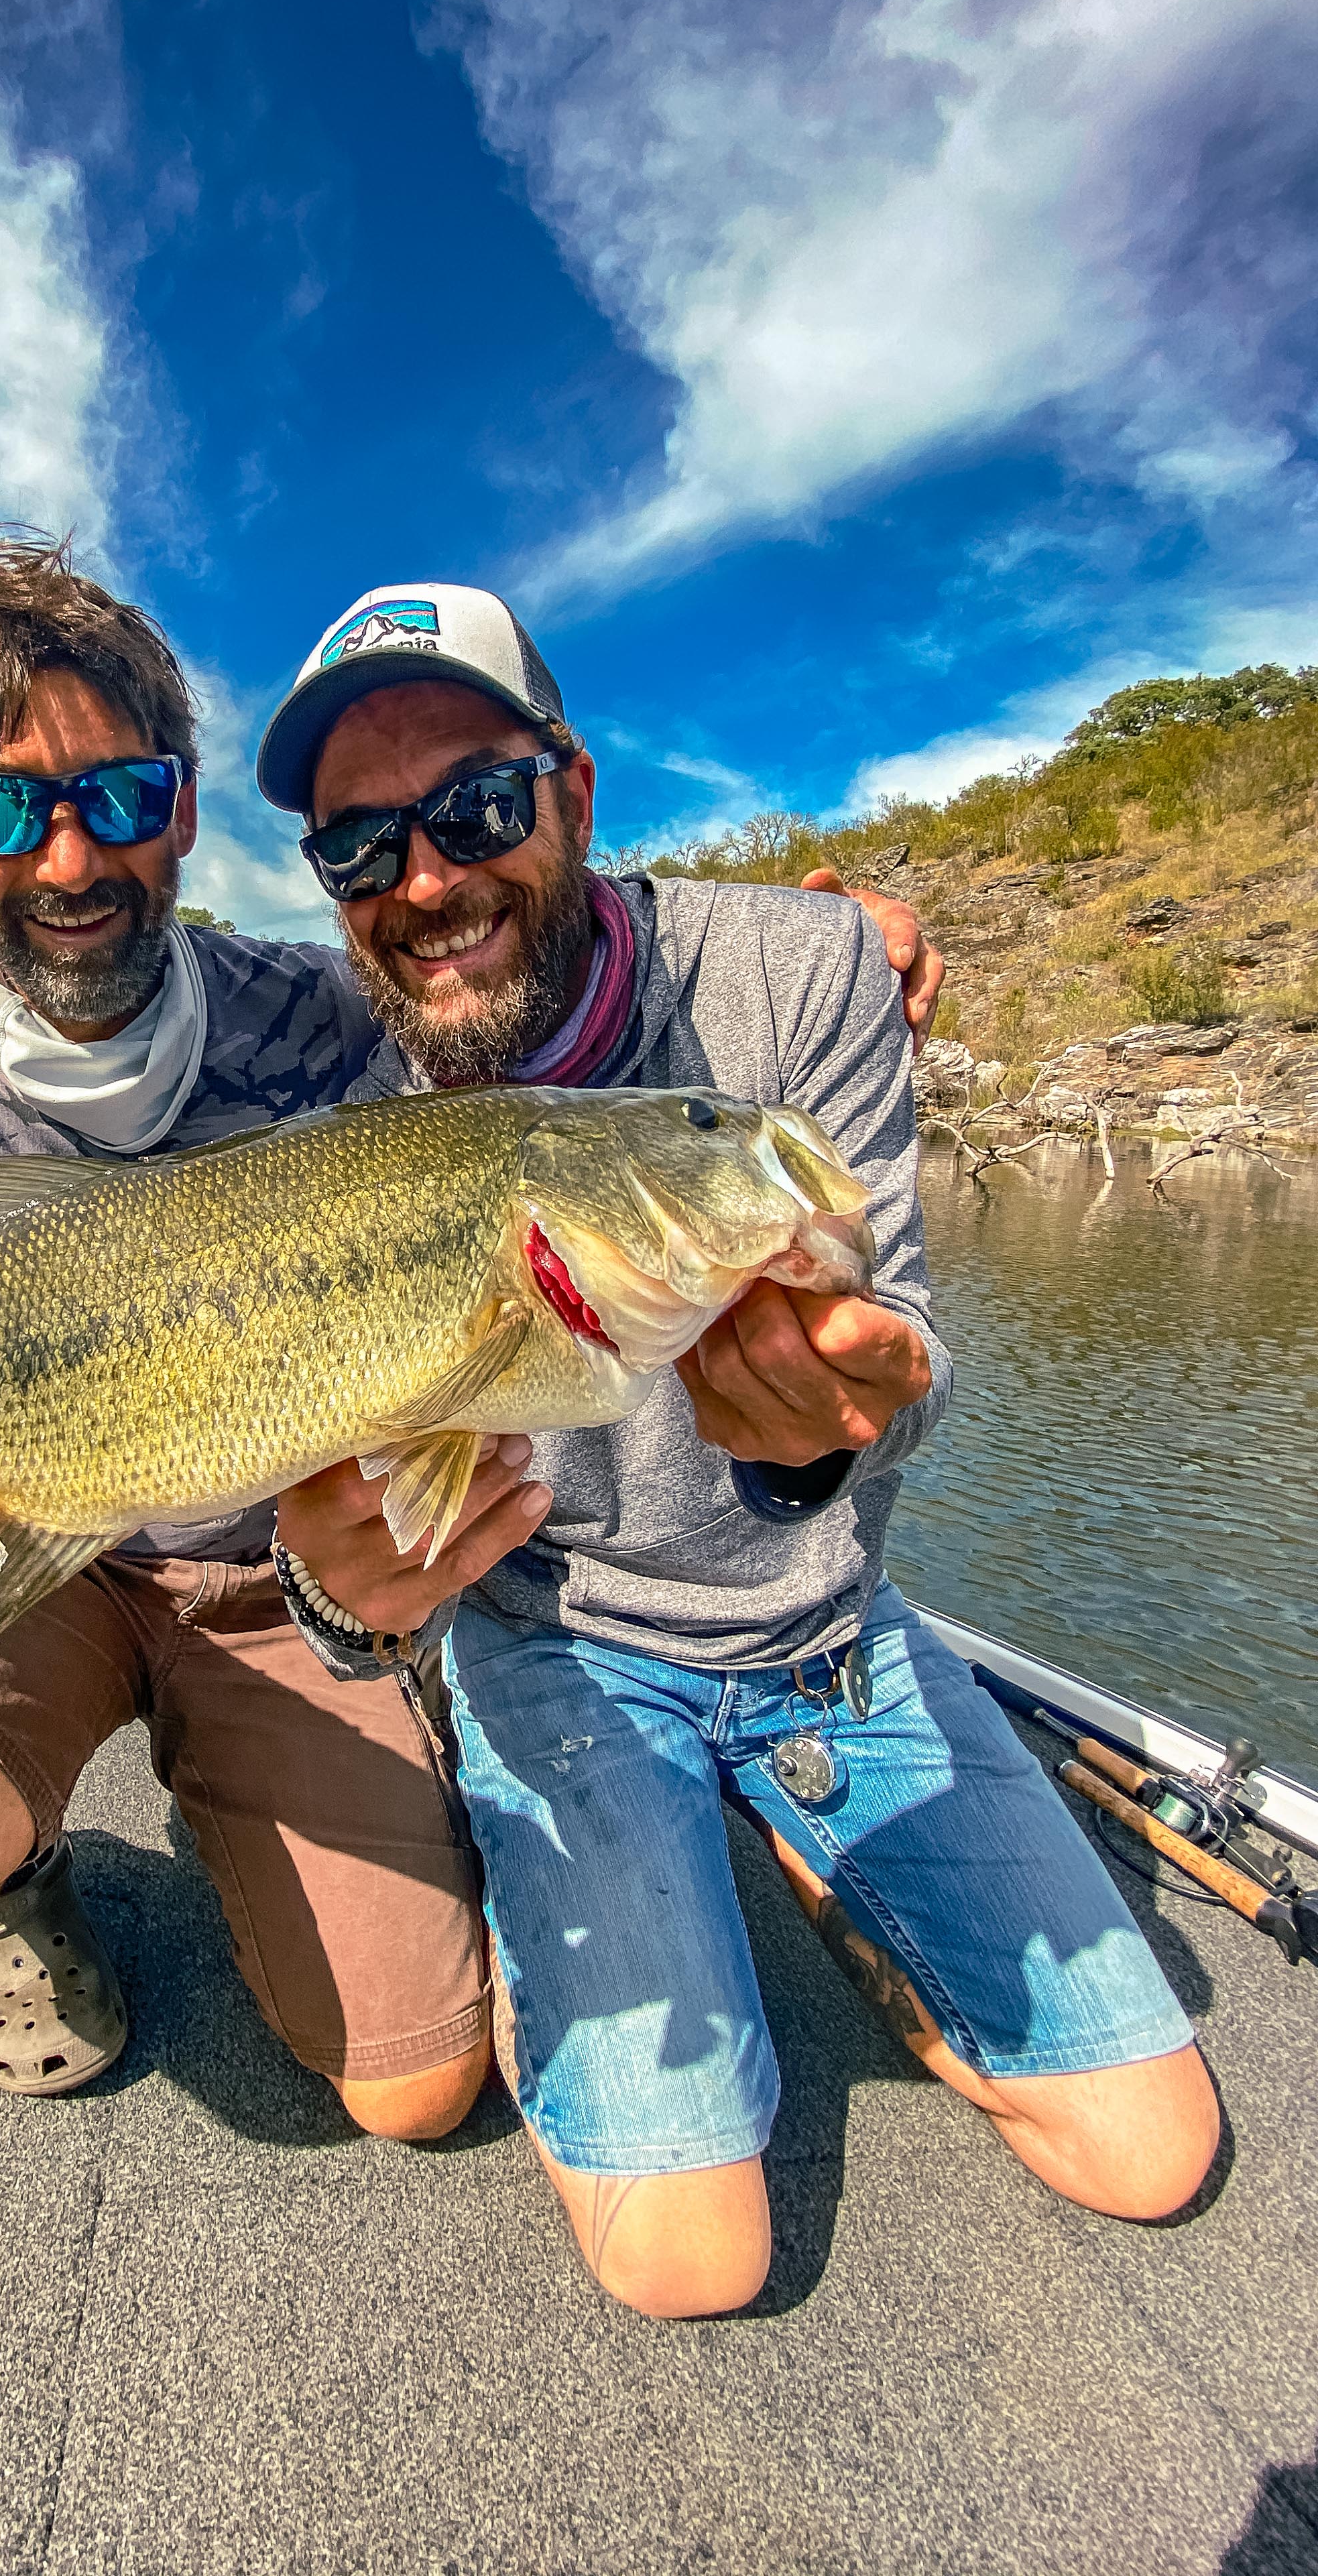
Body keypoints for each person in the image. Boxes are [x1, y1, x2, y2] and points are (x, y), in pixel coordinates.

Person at [0, 534, 941, 2144]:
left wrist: (825, 935)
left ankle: (232, 1788)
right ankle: (13, 1862)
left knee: (416, 2091)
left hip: (274, 1577)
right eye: (2, 809)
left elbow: (523, 965)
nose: (70, 860)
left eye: (123, 799)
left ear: (185, 812)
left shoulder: (338, 1004)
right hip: (2, 1537)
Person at [256, 581, 1221, 2313]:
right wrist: (345, 1609)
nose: (425, 881)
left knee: (1153, 2154)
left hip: (831, 1637)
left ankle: (800, 1833)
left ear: (577, 791)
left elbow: (907, 1355)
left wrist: (839, 1429)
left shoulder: (804, 970)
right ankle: (608, 1830)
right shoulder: (336, 1108)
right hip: (564, 1651)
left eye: (476, 807)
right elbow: (334, 1513)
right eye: (357, 850)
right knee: (692, 2263)